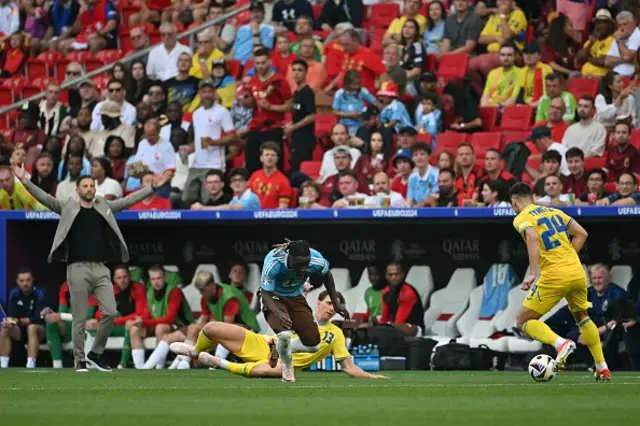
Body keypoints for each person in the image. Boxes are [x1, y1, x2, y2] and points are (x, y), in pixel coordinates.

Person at [9, 162, 172, 372]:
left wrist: (153, 187)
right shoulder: (68, 206)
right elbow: (45, 199)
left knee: (111, 312)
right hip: (77, 268)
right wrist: (24, 181)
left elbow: (127, 200)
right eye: (85, 186)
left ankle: (94, 354)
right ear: (78, 190)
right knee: (79, 318)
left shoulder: (103, 205)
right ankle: (80, 361)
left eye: (92, 186)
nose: (89, 189)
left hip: (101, 269)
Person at [509, 182, 610, 381]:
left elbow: (531, 236)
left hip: (554, 275)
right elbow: (582, 234)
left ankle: (560, 344)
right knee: (582, 317)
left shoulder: (521, 217)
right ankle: (602, 367)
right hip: (577, 272)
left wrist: (532, 273)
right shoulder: (555, 212)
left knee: (523, 321)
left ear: (514, 203)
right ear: (533, 197)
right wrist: (567, 258)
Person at [170, 291, 386, 379]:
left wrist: (372, 376)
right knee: (210, 328)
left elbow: (348, 367)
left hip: (283, 363)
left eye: (336, 306)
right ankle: (195, 352)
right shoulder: (302, 313)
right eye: (329, 303)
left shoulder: (336, 334)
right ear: (318, 302)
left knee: (272, 371)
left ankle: (218, 363)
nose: (332, 308)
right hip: (262, 344)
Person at [260, 239, 348, 382]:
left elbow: (327, 275)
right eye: (299, 264)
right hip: (273, 296)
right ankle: (287, 367)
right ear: (289, 257)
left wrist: (336, 303)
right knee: (285, 335)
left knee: (314, 345)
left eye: (306, 265)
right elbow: (265, 293)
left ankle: (278, 347)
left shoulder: (316, 260)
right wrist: (278, 313)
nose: (303, 269)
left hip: (296, 296)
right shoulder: (274, 261)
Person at [0, 268, 48, 368]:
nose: (25, 283)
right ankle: (3, 365)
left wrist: (19, 321)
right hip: (21, 331)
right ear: (17, 281)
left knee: (32, 327)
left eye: (28, 280)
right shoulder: (14, 293)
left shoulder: (40, 292)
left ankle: (30, 364)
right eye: (22, 281)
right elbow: (12, 316)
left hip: (40, 331)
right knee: (5, 327)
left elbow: (39, 318)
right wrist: (9, 321)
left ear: (33, 280)